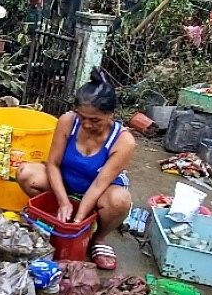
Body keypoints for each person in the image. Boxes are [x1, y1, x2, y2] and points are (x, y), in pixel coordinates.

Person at [17, 68, 135, 270]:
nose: (87, 125)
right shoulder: (67, 121)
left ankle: (97, 239)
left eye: (95, 120)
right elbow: (52, 164)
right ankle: (56, 217)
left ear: (110, 115)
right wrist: (63, 202)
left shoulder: (124, 141)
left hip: (99, 191)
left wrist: (78, 220)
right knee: (26, 173)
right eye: (82, 117)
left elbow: (99, 184)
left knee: (120, 201)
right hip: (64, 181)